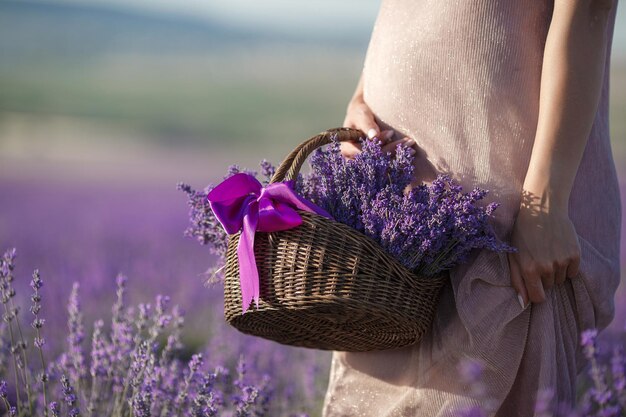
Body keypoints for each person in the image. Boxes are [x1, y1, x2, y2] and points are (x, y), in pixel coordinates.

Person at [323, 0, 621, 415]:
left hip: (509, 204)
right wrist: (362, 98)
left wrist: (544, 204)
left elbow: (589, 10)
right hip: (393, 206)